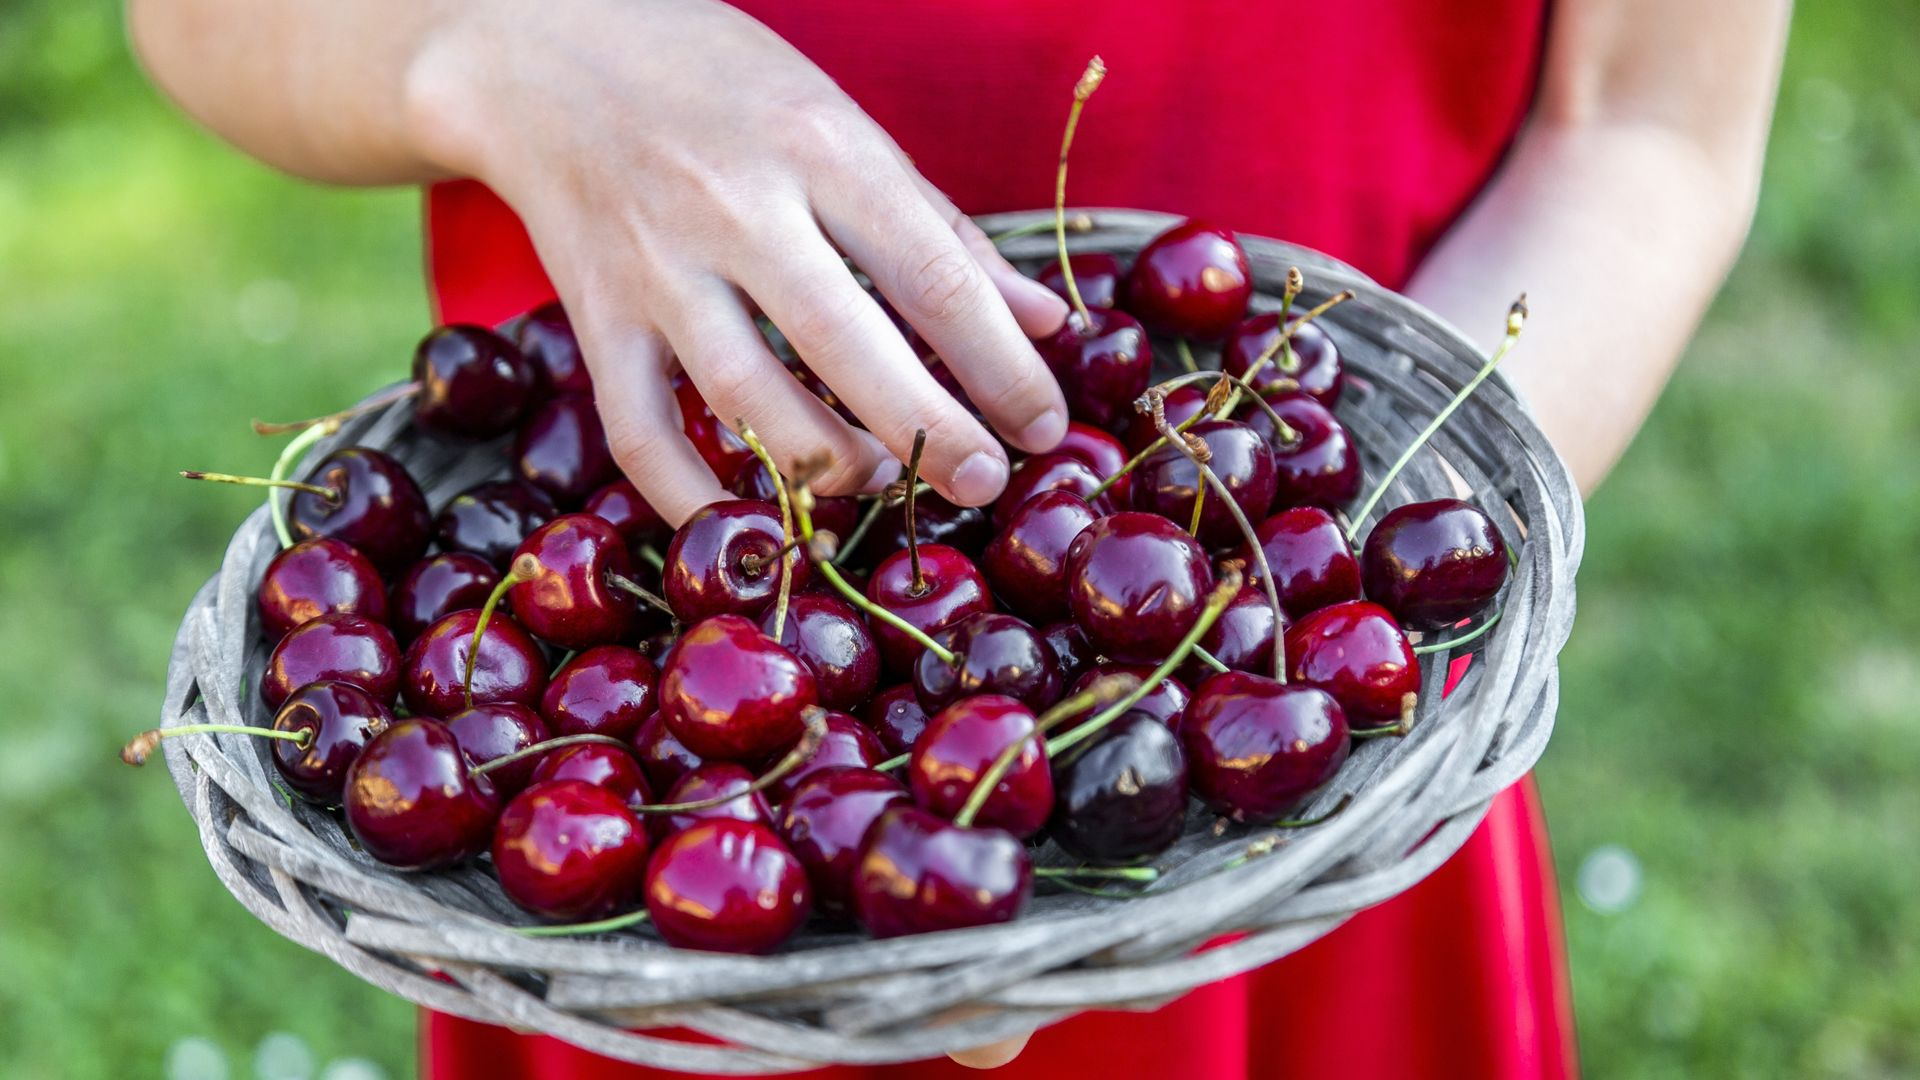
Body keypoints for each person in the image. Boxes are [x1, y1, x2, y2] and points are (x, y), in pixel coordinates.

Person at [129, 1, 1789, 1075]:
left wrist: (1346, 564)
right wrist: (498, 46)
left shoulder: (1290, 639)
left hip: (1301, 802)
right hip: (628, 885)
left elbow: (1645, 128)